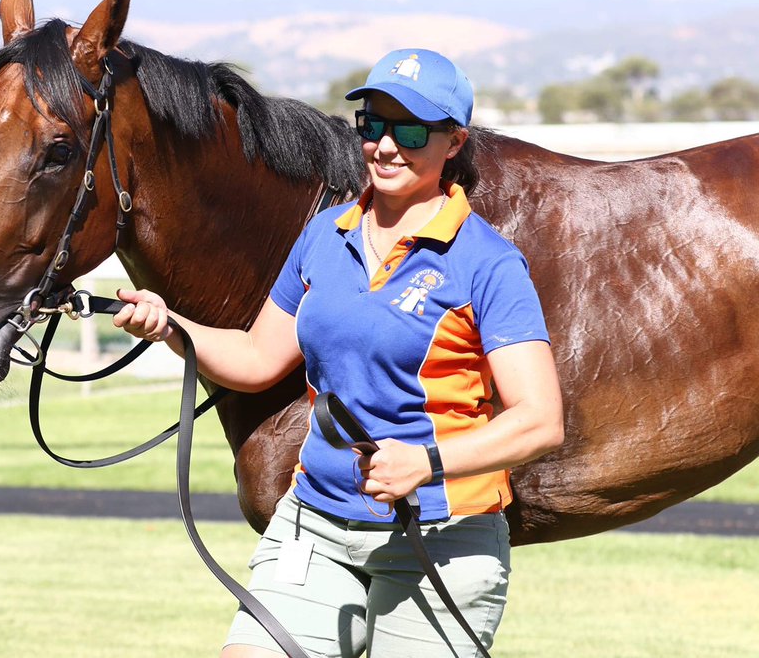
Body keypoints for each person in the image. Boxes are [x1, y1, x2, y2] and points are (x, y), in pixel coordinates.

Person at [112, 48, 564, 658]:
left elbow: (540, 421)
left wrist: (425, 463)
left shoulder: (487, 263)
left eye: (410, 129)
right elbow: (255, 357)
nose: (385, 145)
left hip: (440, 537)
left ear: (454, 143)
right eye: (372, 124)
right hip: (315, 524)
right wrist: (173, 327)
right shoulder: (324, 235)